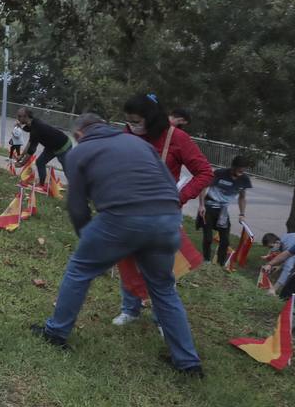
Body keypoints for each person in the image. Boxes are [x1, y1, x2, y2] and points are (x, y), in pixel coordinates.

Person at [32, 113, 203, 376]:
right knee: (163, 289)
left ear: (79, 135)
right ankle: (189, 362)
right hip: (167, 220)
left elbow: (77, 207)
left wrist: (88, 241)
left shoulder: (81, 152)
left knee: (79, 269)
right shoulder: (140, 144)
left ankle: (55, 332)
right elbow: (170, 184)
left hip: (123, 218)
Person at [113, 93, 215, 326]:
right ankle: (130, 308)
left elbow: (205, 172)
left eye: (137, 121)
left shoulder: (177, 138)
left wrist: (179, 198)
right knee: (129, 262)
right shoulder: (128, 133)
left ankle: (162, 319)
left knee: (160, 270)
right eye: (128, 121)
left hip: (162, 214)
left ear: (151, 117)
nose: (132, 126)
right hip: (130, 208)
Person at [199, 155, 252, 266]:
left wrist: (242, 213)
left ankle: (220, 264)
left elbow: (242, 197)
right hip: (209, 206)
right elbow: (204, 187)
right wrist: (201, 205)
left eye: (243, 171)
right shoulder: (220, 173)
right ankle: (206, 260)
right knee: (208, 237)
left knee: (225, 240)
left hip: (223, 211)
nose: (240, 174)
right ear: (233, 167)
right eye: (239, 170)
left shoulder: (244, 180)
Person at [15, 107, 73, 181]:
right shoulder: (33, 122)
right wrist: (22, 155)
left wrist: (22, 163)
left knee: (68, 171)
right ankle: (42, 185)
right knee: (40, 162)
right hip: (51, 147)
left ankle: (78, 189)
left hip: (63, 146)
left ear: (26, 116)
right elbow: (30, 140)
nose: (18, 118)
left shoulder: (36, 129)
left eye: (19, 116)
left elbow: (31, 150)